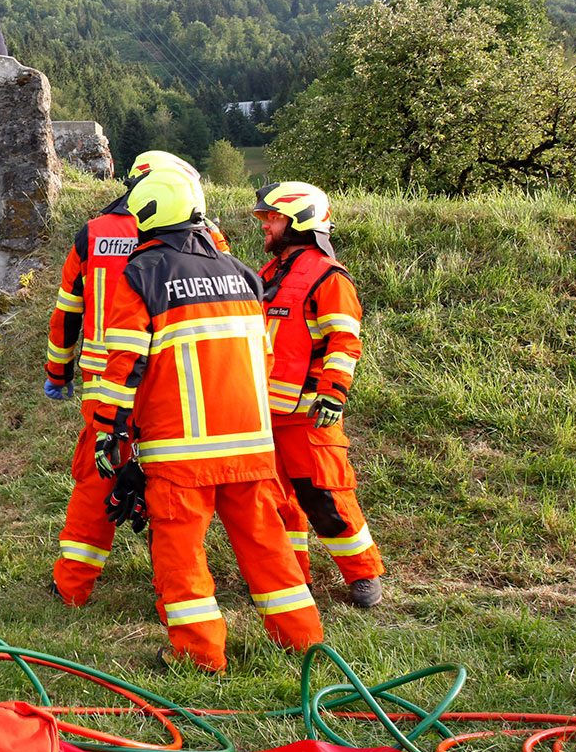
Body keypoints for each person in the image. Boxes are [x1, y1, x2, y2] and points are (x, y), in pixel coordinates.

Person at [92, 166, 323, 671]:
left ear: (148, 214)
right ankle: (305, 641)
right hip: (249, 444)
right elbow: (261, 358)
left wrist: (111, 430)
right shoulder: (241, 273)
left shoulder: (143, 275)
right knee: (267, 546)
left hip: (181, 452)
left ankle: (200, 655)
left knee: (181, 556)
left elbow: (126, 362)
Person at [44, 151, 211, 605]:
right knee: (171, 488)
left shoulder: (93, 235)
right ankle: (173, 586)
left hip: (105, 386)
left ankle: (72, 585)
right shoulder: (206, 236)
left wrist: (57, 372)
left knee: (97, 479)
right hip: (173, 388)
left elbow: (66, 314)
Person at [252, 181, 386, 608]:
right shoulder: (267, 274)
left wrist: (333, 393)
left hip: (311, 414)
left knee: (326, 498)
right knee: (276, 504)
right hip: (265, 414)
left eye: (272, 218)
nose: (265, 227)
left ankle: (364, 574)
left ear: (299, 220)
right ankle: (294, 580)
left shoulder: (329, 277)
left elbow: (344, 342)